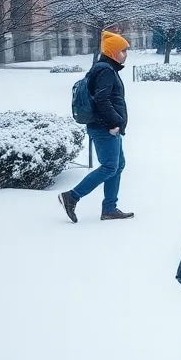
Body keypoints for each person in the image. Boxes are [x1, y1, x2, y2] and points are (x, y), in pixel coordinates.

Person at [58, 31, 134, 223]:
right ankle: (72, 196)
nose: (126, 54)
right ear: (113, 51)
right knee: (110, 166)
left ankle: (109, 208)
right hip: (104, 127)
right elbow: (102, 99)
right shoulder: (105, 70)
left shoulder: (104, 68)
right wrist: (114, 122)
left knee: (117, 165)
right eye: (123, 50)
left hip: (104, 126)